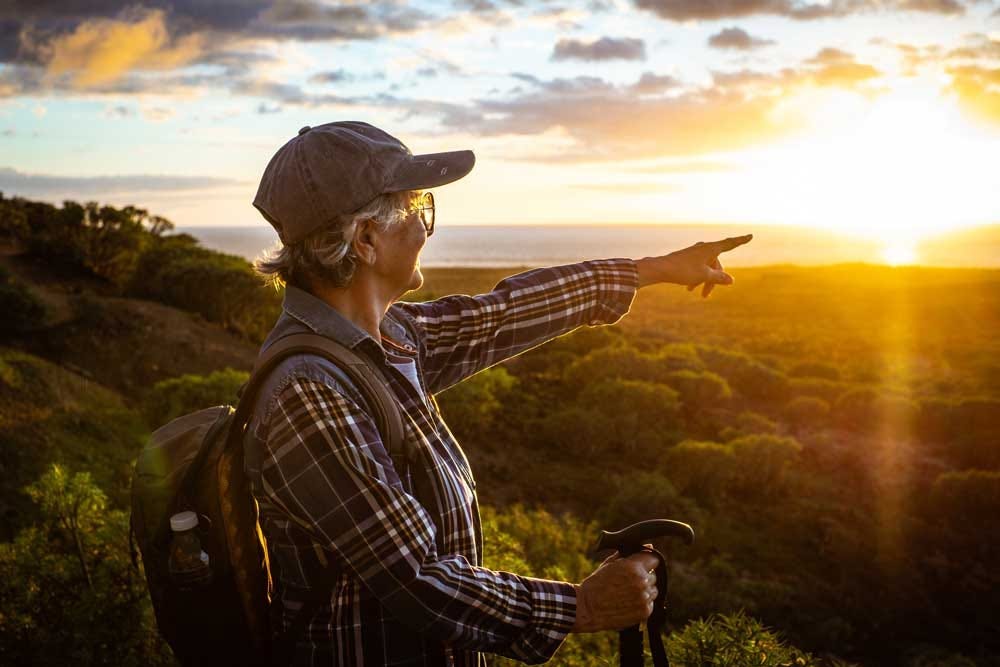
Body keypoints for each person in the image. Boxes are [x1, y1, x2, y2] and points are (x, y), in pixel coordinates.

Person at [247, 120, 752, 666]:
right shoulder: (310, 392)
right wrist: (580, 606)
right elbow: (414, 578)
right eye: (420, 209)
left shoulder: (386, 338)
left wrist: (653, 270)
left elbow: (504, 315)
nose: (425, 227)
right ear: (366, 239)